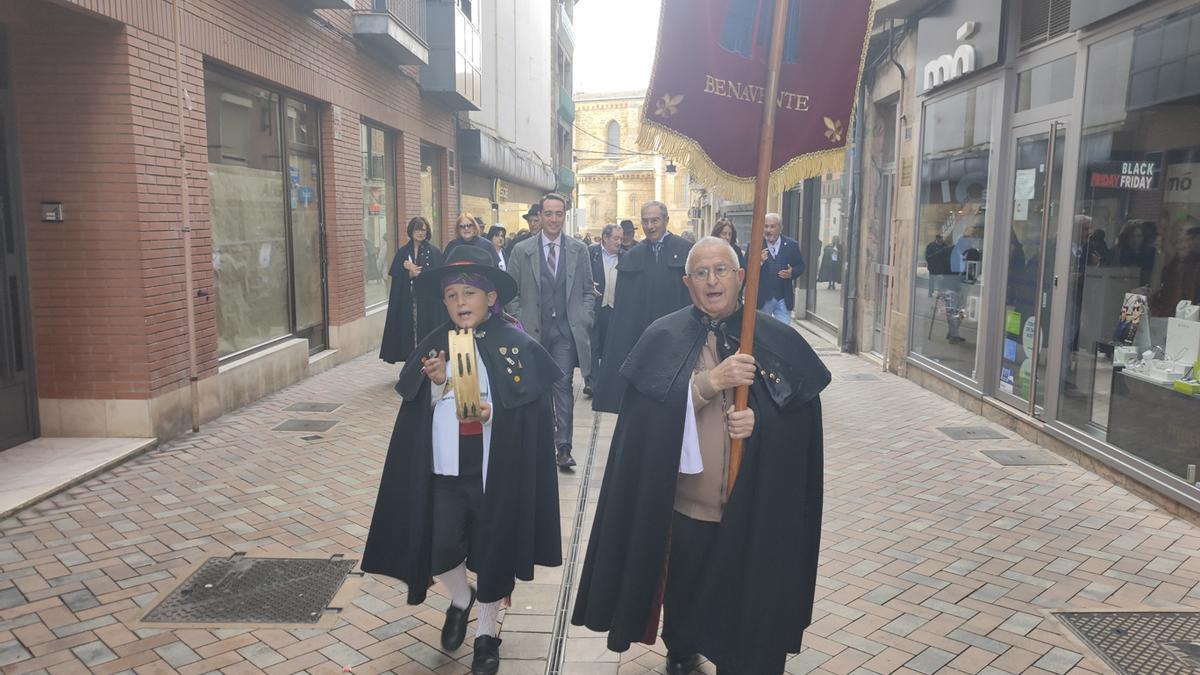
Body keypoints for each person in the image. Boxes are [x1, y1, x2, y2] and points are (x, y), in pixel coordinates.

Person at [572, 236, 830, 675]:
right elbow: (644, 427)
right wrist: (708, 383)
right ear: (687, 282)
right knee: (686, 591)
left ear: (741, 277)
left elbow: (802, 435)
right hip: (687, 507)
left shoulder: (776, 340)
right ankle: (682, 647)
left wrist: (760, 427)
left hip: (753, 512)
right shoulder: (663, 336)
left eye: (722, 270)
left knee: (746, 602)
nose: (713, 281)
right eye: (702, 273)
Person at [362, 244, 563, 675]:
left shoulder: (517, 346)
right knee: (439, 547)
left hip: (495, 475)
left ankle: (487, 634)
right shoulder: (436, 344)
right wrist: (437, 382)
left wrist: (497, 414)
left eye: (468, 294)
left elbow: (530, 417)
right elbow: (416, 411)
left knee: (493, 555)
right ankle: (460, 597)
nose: (459, 303)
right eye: (451, 296)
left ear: (491, 298)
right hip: (446, 472)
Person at [507, 193, 595, 469]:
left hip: (564, 332)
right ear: (540, 217)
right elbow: (511, 292)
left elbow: (587, 290)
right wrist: (520, 319)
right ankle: (538, 443)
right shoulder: (523, 250)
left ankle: (563, 448)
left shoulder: (578, 250)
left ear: (564, 216)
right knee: (535, 387)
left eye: (559, 214)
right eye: (549, 214)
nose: (554, 219)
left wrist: (584, 316)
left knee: (563, 385)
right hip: (532, 331)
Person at [593, 202, 694, 413]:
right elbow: (622, 312)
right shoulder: (632, 257)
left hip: (678, 339)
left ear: (666, 221)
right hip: (642, 339)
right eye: (646, 221)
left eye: (655, 220)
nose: (650, 226)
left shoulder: (684, 251)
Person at [380, 217, 446, 365]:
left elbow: (438, 277)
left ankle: (426, 363)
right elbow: (396, 279)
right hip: (408, 301)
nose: (420, 233)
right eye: (417, 229)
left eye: (423, 229)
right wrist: (408, 274)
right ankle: (411, 364)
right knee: (409, 332)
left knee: (426, 331)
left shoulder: (434, 252)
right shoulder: (403, 252)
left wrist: (420, 273)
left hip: (428, 303)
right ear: (411, 231)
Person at [585, 223, 624, 398]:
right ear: (605, 238)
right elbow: (579, 276)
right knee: (593, 346)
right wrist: (587, 285)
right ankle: (592, 384)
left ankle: (609, 383)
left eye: (621, 239)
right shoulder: (590, 254)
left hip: (615, 308)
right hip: (595, 308)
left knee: (612, 346)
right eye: (616, 238)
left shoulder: (625, 257)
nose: (619, 242)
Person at [756, 212, 805, 324]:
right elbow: (746, 268)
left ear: (780, 228)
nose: (768, 230)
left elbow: (801, 266)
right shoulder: (755, 244)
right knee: (764, 331)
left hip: (783, 297)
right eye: (766, 226)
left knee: (783, 332)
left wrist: (792, 272)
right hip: (763, 298)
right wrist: (759, 261)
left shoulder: (791, 245)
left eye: (772, 226)